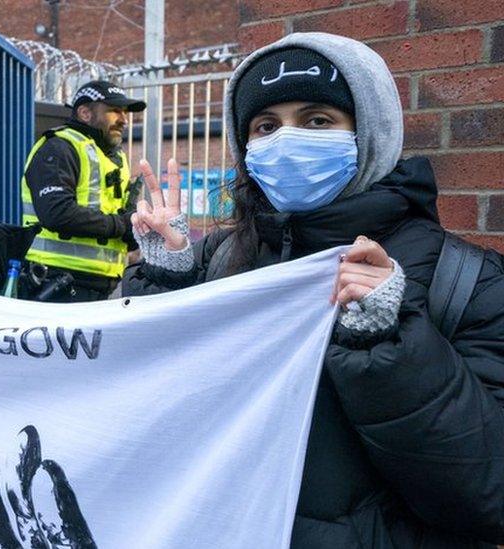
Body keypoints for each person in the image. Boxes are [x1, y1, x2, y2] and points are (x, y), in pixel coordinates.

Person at [125, 32, 504, 546]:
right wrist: (167, 279)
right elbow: (145, 410)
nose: (286, 142)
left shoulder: (465, 282)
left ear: (369, 131)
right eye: (265, 126)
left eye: (317, 121)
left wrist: (388, 343)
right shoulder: (222, 260)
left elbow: (486, 494)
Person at [20, 80, 144, 302]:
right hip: (55, 281)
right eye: (115, 111)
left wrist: (135, 229)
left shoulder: (115, 158)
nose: (123, 120)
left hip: (101, 285)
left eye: (124, 112)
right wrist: (121, 225)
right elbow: (56, 212)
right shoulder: (59, 148)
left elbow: (117, 214)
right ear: (85, 113)